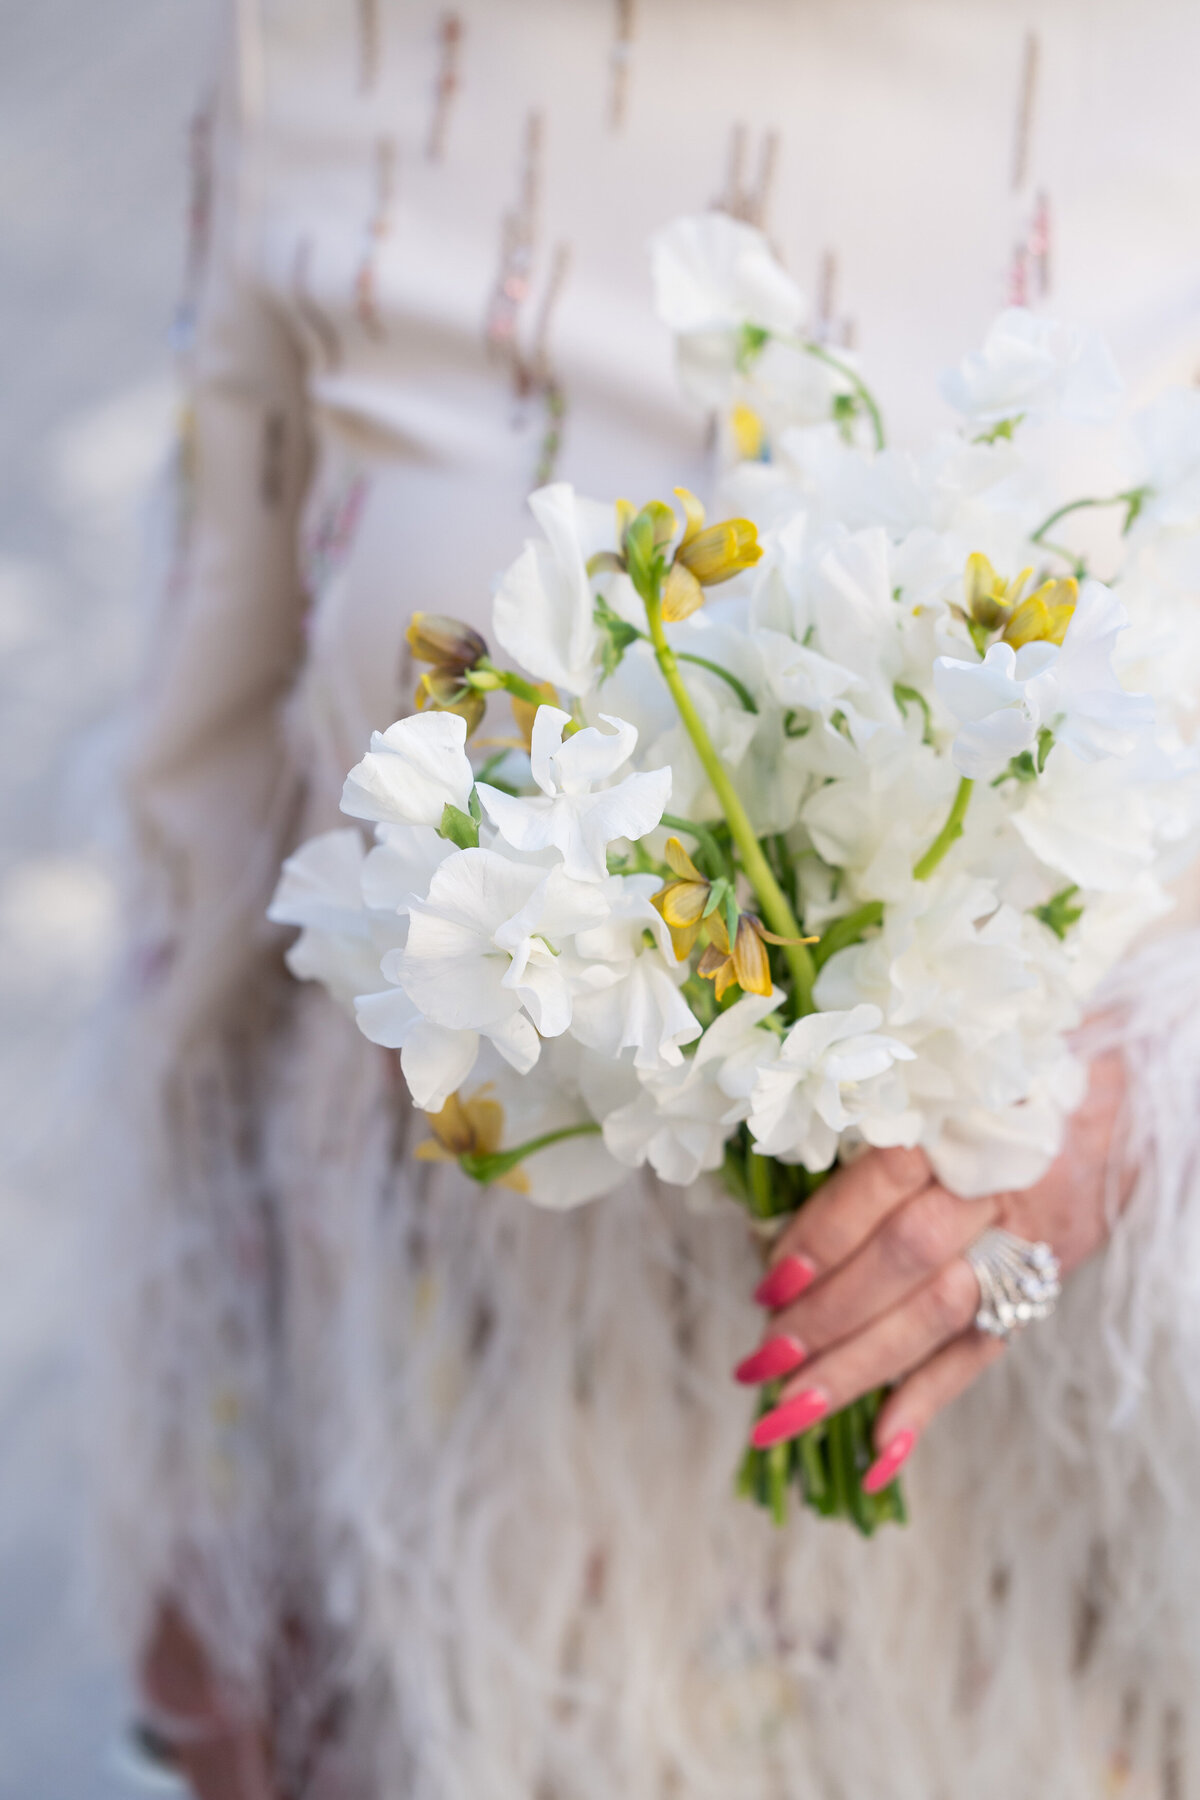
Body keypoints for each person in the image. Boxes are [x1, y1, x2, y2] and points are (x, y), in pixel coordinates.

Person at [106, 2, 1200, 1794]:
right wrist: (209, 1518)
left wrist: (1118, 1124)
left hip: (1055, 1547)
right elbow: (211, 810)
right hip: (486, 1521)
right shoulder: (329, 51)